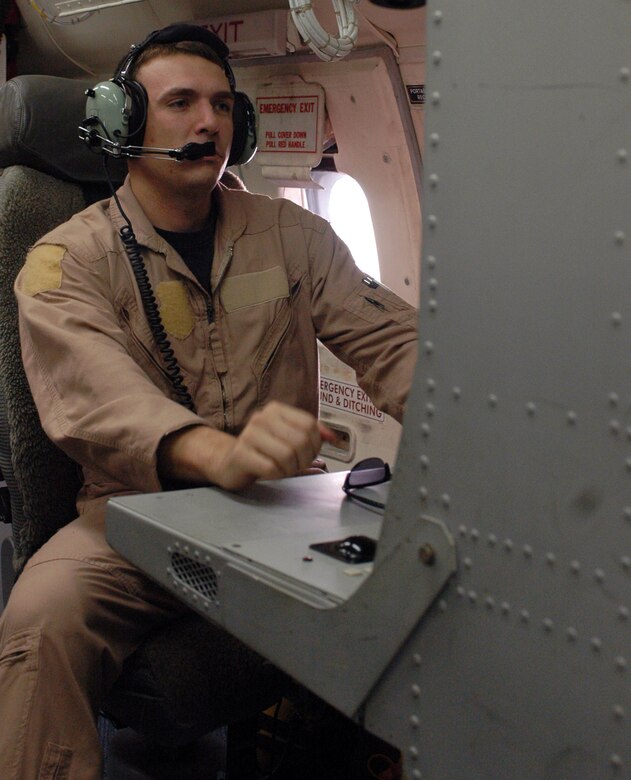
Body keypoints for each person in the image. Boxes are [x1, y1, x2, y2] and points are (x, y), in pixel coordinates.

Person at [0, 24, 417, 779]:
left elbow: (390, 343)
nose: (208, 124)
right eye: (182, 103)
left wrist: (481, 429)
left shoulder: (294, 234)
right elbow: (99, 398)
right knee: (38, 624)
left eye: (223, 106)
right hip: (129, 521)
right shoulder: (65, 258)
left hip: (282, 509)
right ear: (124, 122)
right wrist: (215, 453)